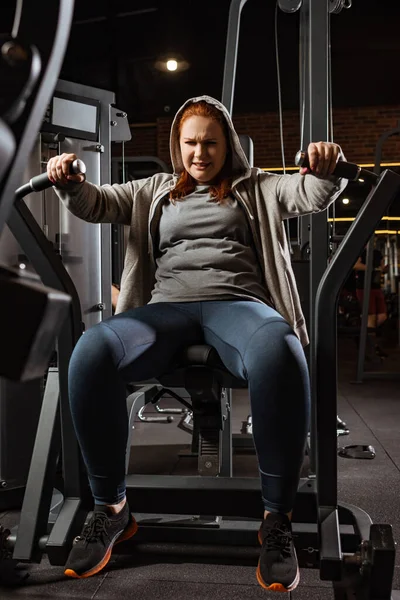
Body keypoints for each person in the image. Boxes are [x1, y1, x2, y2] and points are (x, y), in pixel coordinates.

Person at [48, 95, 347, 592]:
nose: (200, 153)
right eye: (190, 143)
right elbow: (96, 202)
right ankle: (113, 508)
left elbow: (308, 193)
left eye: (210, 142)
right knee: (92, 350)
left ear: (227, 144)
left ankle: (277, 520)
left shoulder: (257, 187)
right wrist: (70, 181)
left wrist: (324, 166)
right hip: (165, 310)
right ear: (177, 145)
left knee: (281, 350)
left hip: (238, 305)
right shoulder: (155, 190)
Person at [353, 242, 388, 357]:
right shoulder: (361, 253)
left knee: (382, 316)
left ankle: (363, 333)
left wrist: (384, 269)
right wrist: (372, 268)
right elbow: (356, 265)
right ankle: (374, 348)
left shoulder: (378, 253)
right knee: (371, 319)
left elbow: (382, 267)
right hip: (364, 287)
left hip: (376, 287)